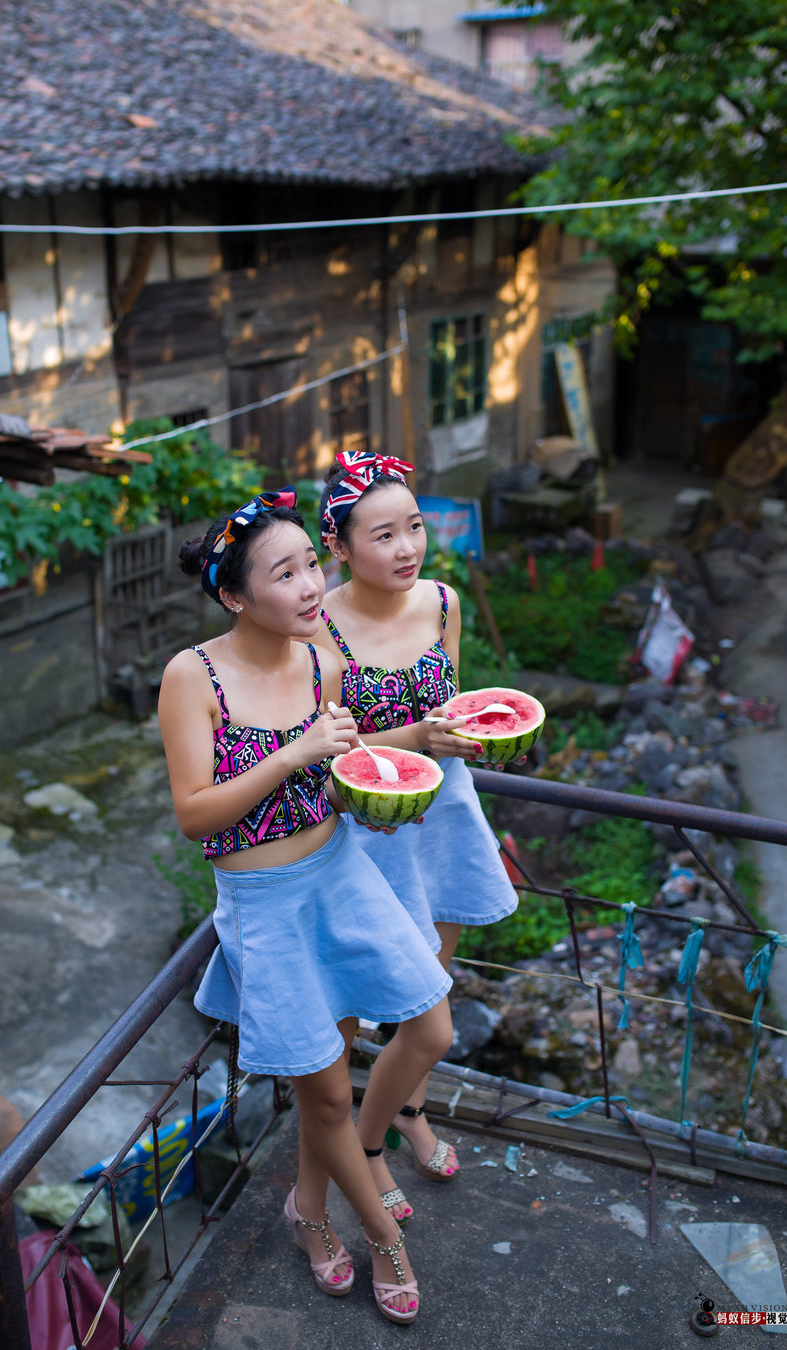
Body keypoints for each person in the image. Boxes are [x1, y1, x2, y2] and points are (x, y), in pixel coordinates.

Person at [157, 487, 454, 1324]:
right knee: (323, 1097)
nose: (310, 585)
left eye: (311, 564)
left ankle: (325, 1197)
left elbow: (340, 764)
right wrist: (292, 755)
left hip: (341, 868)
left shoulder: (321, 654)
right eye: (284, 573)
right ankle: (359, 1233)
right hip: (263, 901)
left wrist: (405, 765)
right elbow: (194, 815)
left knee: (432, 1028)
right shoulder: (194, 674)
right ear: (234, 595)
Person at [317, 451, 519, 1222]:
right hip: (369, 831)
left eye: (414, 528)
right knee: (408, 1006)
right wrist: (423, 736)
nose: (407, 548)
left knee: (429, 994)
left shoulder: (442, 601)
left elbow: (454, 708)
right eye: (383, 534)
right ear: (338, 546)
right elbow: (329, 748)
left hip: (447, 817)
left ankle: (406, 1114)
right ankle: (364, 1147)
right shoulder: (318, 623)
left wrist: (481, 737)